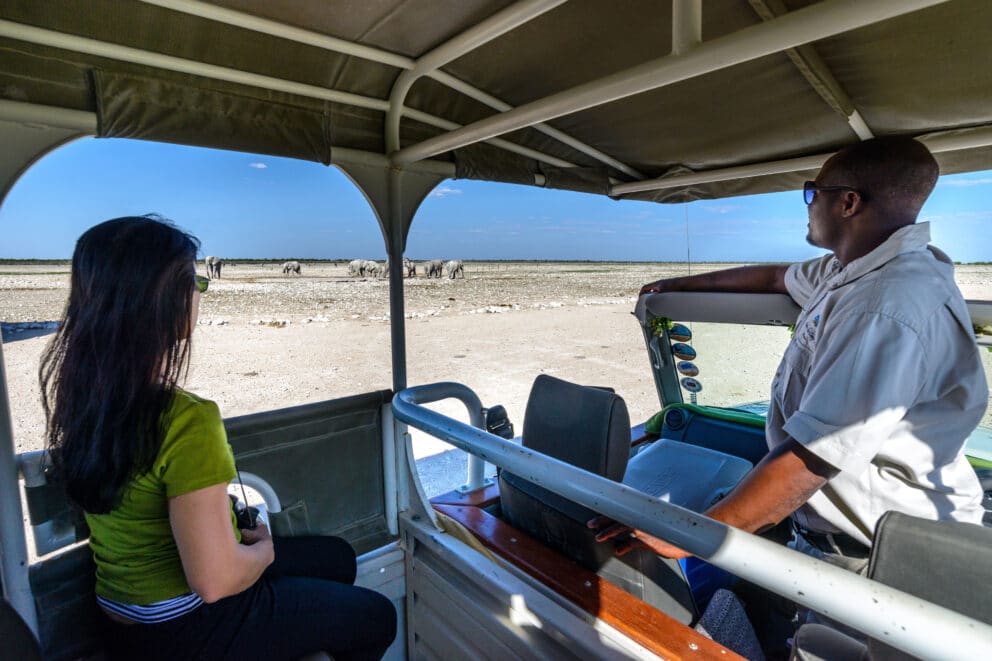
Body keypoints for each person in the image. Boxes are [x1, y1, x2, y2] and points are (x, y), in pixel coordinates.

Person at [591, 136, 988, 574]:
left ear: (848, 203)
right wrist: (679, 285)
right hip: (847, 532)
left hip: (880, 553)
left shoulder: (883, 302)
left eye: (811, 192)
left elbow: (814, 455)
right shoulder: (852, 269)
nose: (807, 203)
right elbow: (776, 277)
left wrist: (695, 532)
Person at [40, 216, 396, 661]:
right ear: (162, 300)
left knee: (337, 558)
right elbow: (214, 582)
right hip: (185, 628)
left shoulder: (85, 399)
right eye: (194, 283)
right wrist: (263, 553)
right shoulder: (187, 420)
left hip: (122, 615)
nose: (198, 294)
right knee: (377, 617)